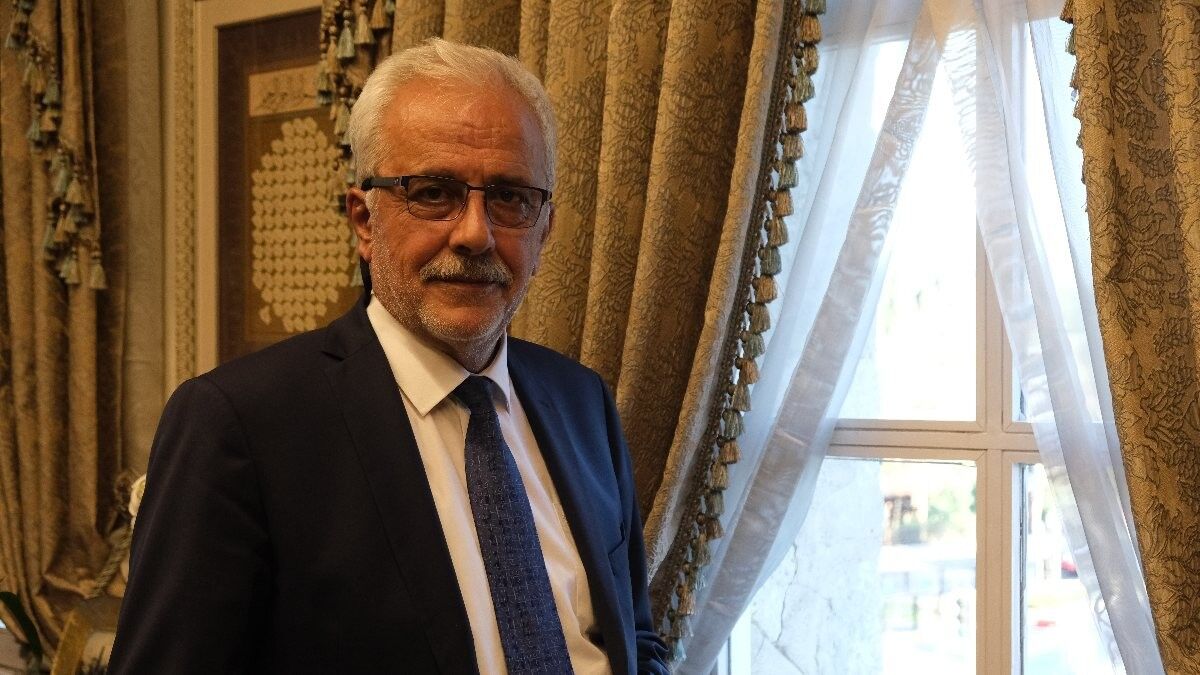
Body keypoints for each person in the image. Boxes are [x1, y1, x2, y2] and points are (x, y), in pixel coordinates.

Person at [108, 38, 669, 674]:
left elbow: (630, 638)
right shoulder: (240, 425)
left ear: (544, 229)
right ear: (363, 220)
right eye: (433, 192)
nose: (475, 233)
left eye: (510, 197)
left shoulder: (582, 402)